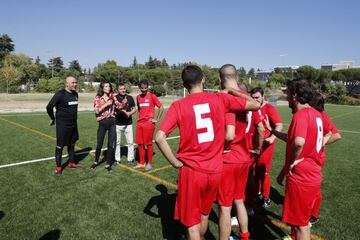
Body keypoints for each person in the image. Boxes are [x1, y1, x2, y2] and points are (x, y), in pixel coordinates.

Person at [155, 65, 260, 240]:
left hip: (193, 172)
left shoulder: (178, 105)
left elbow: (159, 137)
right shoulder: (219, 99)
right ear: (203, 79)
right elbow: (256, 105)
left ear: (184, 84)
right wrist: (233, 90)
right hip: (216, 170)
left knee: (191, 225)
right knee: (204, 214)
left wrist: (174, 162)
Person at [265, 79, 329, 240]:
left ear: (294, 95)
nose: (286, 98)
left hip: (302, 178)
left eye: (287, 94)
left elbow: (298, 142)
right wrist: (274, 131)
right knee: (303, 223)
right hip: (313, 174)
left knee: (300, 226)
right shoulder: (316, 114)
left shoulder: (301, 115)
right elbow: (294, 138)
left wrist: (290, 163)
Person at [217, 64, 261, 240]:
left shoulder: (228, 98)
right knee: (239, 200)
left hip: (230, 157)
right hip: (244, 157)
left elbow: (229, 134)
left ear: (221, 79)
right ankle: (244, 236)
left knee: (225, 207)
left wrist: (222, 147)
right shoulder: (246, 97)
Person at [309, 92, 342, 224]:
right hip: (312, 156)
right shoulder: (316, 115)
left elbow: (336, 135)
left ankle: (314, 215)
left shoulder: (321, 116)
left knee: (315, 189)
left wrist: (318, 143)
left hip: (317, 157)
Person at [250, 87, 283, 208]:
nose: (255, 100)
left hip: (266, 145)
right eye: (252, 97)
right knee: (252, 170)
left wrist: (272, 138)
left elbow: (279, 125)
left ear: (263, 97)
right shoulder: (251, 107)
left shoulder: (269, 108)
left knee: (263, 171)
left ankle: (266, 197)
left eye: (257, 97)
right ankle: (257, 191)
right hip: (252, 145)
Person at [46, 76, 79, 176]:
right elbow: (49, 106)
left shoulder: (75, 94)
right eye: (73, 83)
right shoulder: (60, 94)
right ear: (67, 84)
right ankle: (58, 168)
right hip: (62, 126)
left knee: (72, 144)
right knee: (60, 146)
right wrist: (53, 118)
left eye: (76, 82)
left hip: (73, 125)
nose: (75, 84)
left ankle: (71, 162)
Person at [91, 81, 124, 172]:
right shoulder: (98, 98)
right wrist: (106, 104)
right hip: (102, 122)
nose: (108, 88)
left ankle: (108, 164)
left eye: (109, 86)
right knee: (99, 144)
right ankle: (96, 161)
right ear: (102, 88)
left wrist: (123, 103)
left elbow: (119, 106)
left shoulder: (112, 96)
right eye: (106, 86)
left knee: (111, 145)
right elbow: (97, 111)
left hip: (112, 122)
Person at [134, 80, 164, 171]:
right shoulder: (138, 97)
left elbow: (161, 107)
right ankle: (142, 163)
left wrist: (157, 119)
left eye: (145, 88)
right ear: (139, 87)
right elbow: (139, 109)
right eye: (142, 88)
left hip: (148, 124)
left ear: (148, 87)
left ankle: (149, 163)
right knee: (139, 143)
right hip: (140, 123)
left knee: (148, 144)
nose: (143, 89)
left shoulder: (152, 96)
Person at [114, 82, 137, 166]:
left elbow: (134, 109)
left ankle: (130, 159)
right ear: (117, 90)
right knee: (117, 142)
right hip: (117, 124)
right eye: (121, 89)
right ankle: (117, 159)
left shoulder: (130, 98)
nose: (123, 90)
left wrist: (129, 113)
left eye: (124, 88)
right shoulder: (114, 98)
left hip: (128, 124)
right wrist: (121, 112)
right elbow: (113, 110)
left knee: (130, 142)